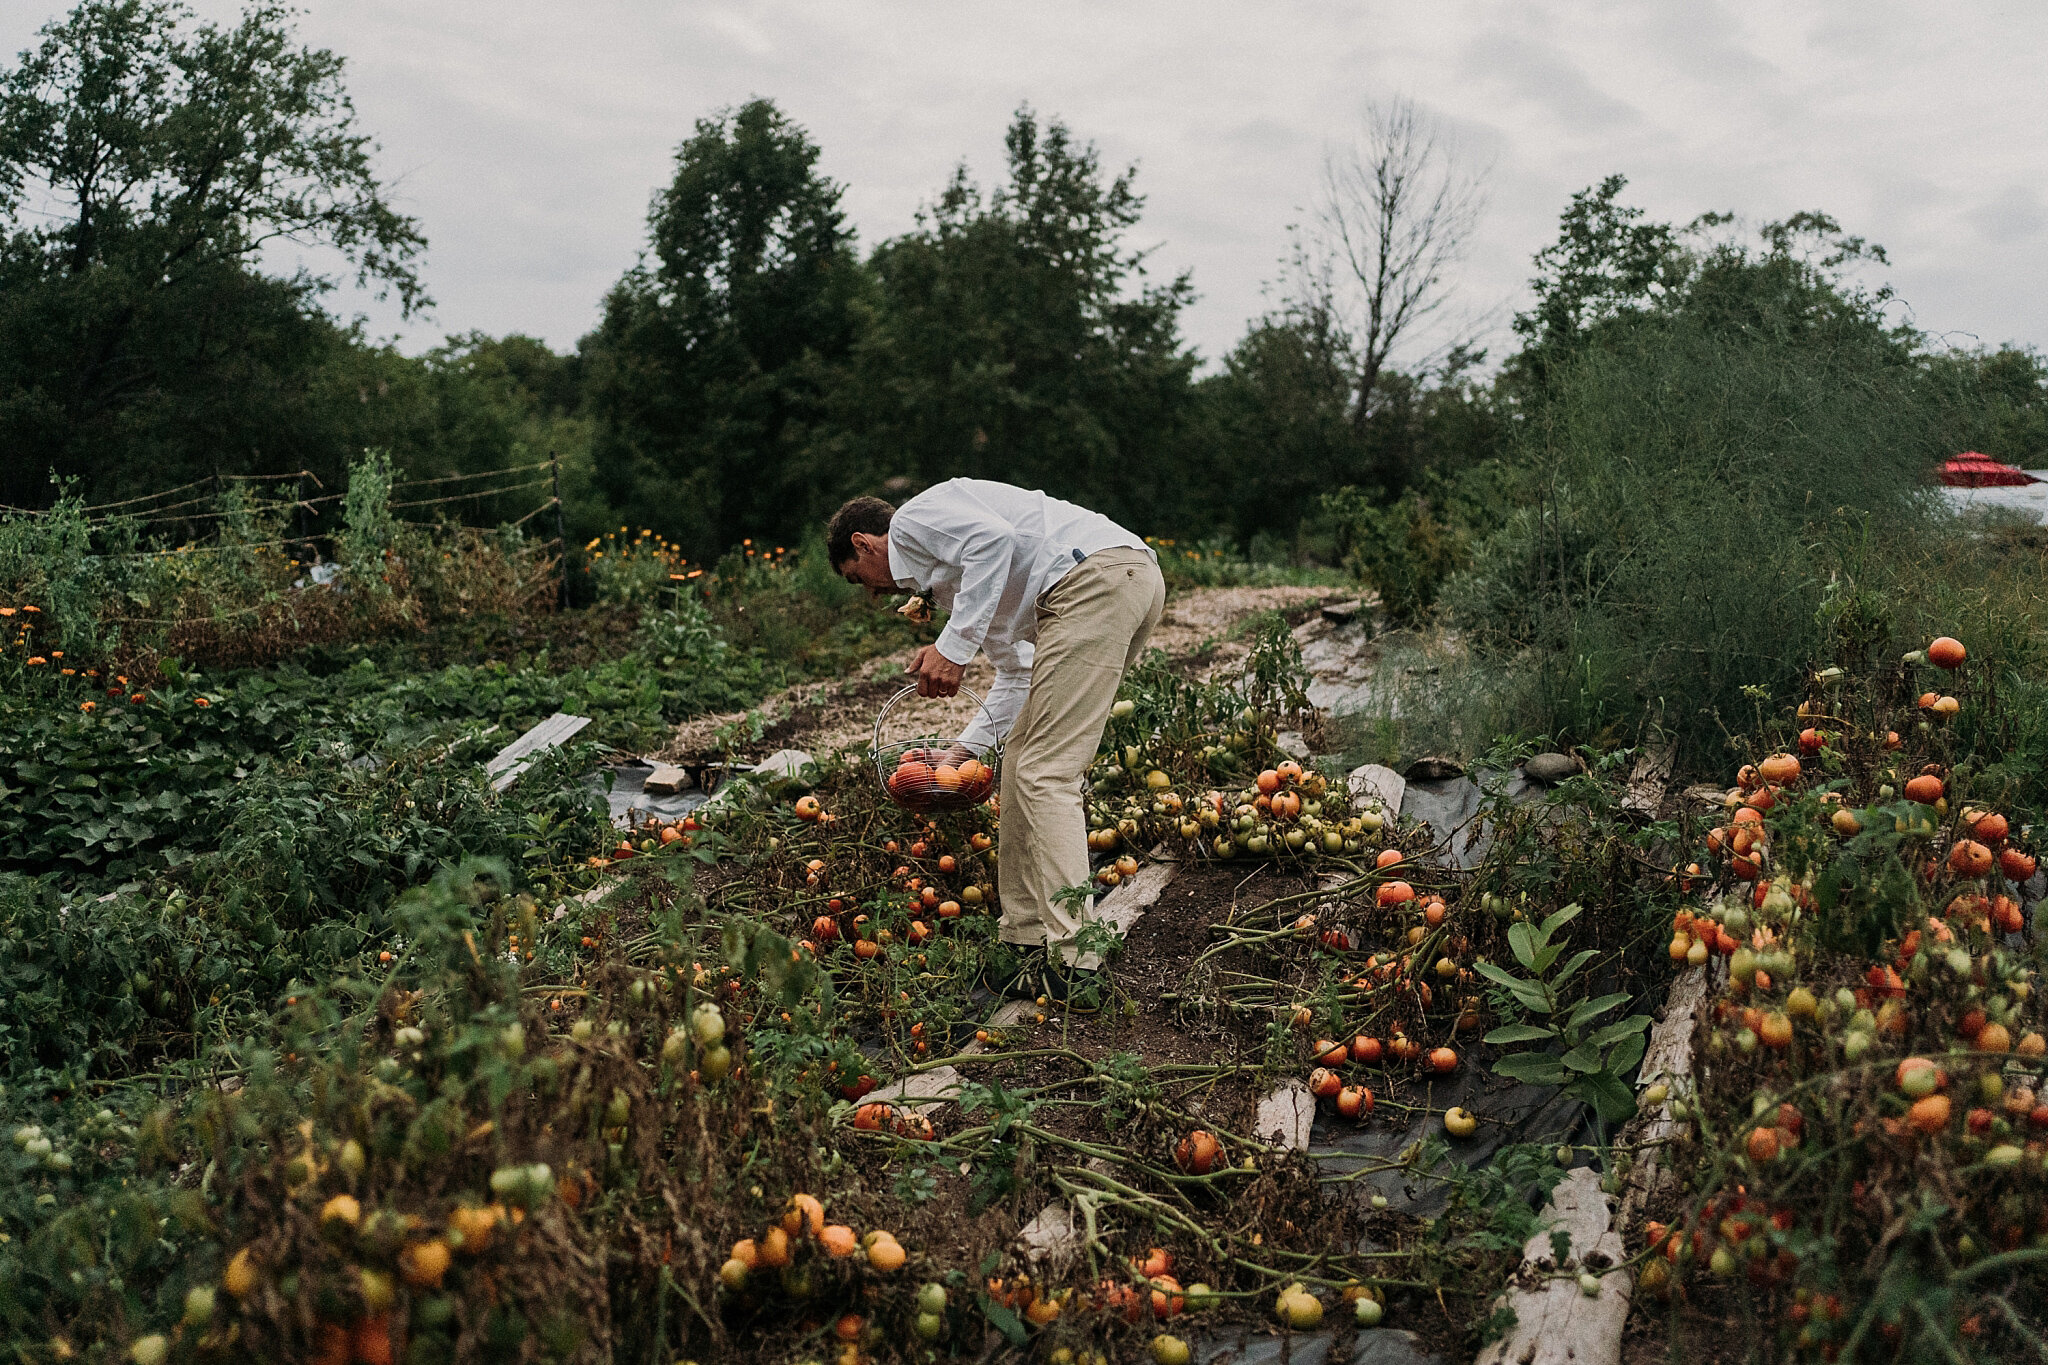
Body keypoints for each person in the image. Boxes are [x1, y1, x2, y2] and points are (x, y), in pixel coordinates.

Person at [828, 479, 1165, 994]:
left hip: (1094, 580)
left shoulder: (917, 518)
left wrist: (953, 648)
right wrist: (961, 752)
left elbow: (996, 539)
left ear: (864, 543)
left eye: (861, 580)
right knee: (1021, 764)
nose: (874, 595)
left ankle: (1077, 960)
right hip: (1107, 584)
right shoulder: (953, 584)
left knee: (1045, 772)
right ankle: (1025, 937)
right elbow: (1016, 672)